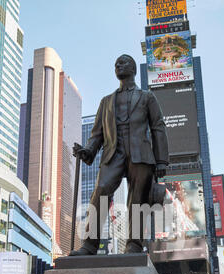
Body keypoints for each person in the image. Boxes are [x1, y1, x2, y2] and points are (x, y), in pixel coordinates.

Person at [70, 54, 169, 256]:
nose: (118, 65)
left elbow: (158, 127)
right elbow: (97, 134)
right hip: (113, 153)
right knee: (101, 189)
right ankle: (90, 244)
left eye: (122, 63)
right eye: (116, 64)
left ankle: (134, 244)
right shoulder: (106, 102)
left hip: (140, 153)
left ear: (132, 69)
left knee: (137, 198)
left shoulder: (147, 97)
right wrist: (88, 150)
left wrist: (161, 161)